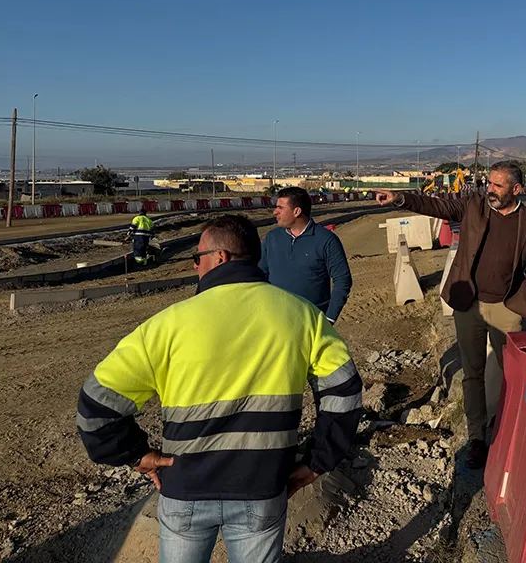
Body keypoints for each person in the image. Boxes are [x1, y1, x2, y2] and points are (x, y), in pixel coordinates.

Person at [77, 214, 362, 563]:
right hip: (262, 488)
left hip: (185, 488)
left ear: (220, 257)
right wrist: (318, 461)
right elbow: (344, 392)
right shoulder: (302, 316)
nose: (196, 266)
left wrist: (135, 455)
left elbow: (96, 404)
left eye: (197, 258)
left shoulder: (166, 325)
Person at [375, 161, 526, 469]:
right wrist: (401, 198)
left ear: (516, 189)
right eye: (488, 184)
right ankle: (478, 437)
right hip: (469, 305)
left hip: (507, 310)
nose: (489, 190)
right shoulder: (473, 206)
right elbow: (436, 204)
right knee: (473, 374)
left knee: (512, 375)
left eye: (497, 186)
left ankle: (505, 428)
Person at [259, 186, 353, 324]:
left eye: (280, 208)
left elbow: (342, 281)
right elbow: (260, 275)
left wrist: (329, 319)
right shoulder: (272, 238)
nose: (275, 212)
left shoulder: (326, 240)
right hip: (275, 319)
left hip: (311, 321)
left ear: (296, 211)